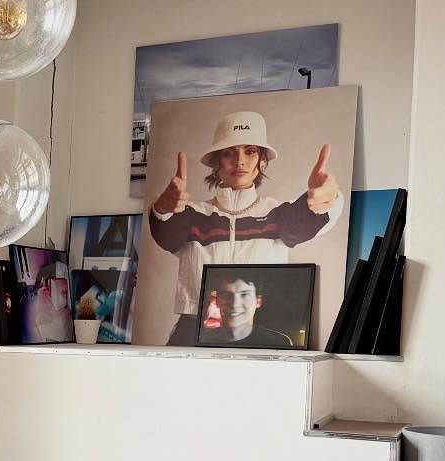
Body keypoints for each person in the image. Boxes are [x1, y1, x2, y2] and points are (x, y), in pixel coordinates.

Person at [146, 111, 343, 345]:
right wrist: (163, 208)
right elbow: (165, 234)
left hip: (256, 333)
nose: (239, 161)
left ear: (262, 161)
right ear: (216, 163)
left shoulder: (277, 215)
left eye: (250, 151)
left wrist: (328, 199)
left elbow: (310, 218)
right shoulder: (191, 215)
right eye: (229, 153)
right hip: (193, 335)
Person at [204, 273, 292, 347]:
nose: (234, 304)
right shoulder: (205, 340)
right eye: (226, 295)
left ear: (258, 301)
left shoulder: (279, 342)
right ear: (217, 300)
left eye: (244, 295)